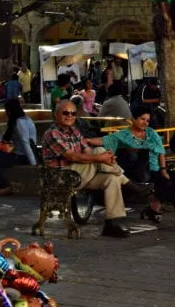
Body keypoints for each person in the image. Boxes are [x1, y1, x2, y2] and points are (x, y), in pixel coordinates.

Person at [42, 99, 131, 237]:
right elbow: (72, 157)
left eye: (73, 113)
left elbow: (88, 151)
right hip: (60, 177)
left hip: (80, 174)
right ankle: (129, 184)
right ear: (56, 114)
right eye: (66, 113)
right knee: (99, 152)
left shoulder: (75, 132)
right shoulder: (52, 133)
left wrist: (106, 158)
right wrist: (101, 157)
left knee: (111, 178)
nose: (70, 116)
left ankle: (112, 223)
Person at [88, 105, 175, 223]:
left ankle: (153, 207)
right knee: (134, 153)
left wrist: (163, 170)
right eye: (142, 119)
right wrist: (86, 140)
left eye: (147, 120)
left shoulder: (151, 133)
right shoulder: (124, 134)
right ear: (133, 119)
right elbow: (105, 140)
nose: (145, 123)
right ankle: (153, 207)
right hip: (136, 170)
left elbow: (160, 152)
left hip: (155, 168)